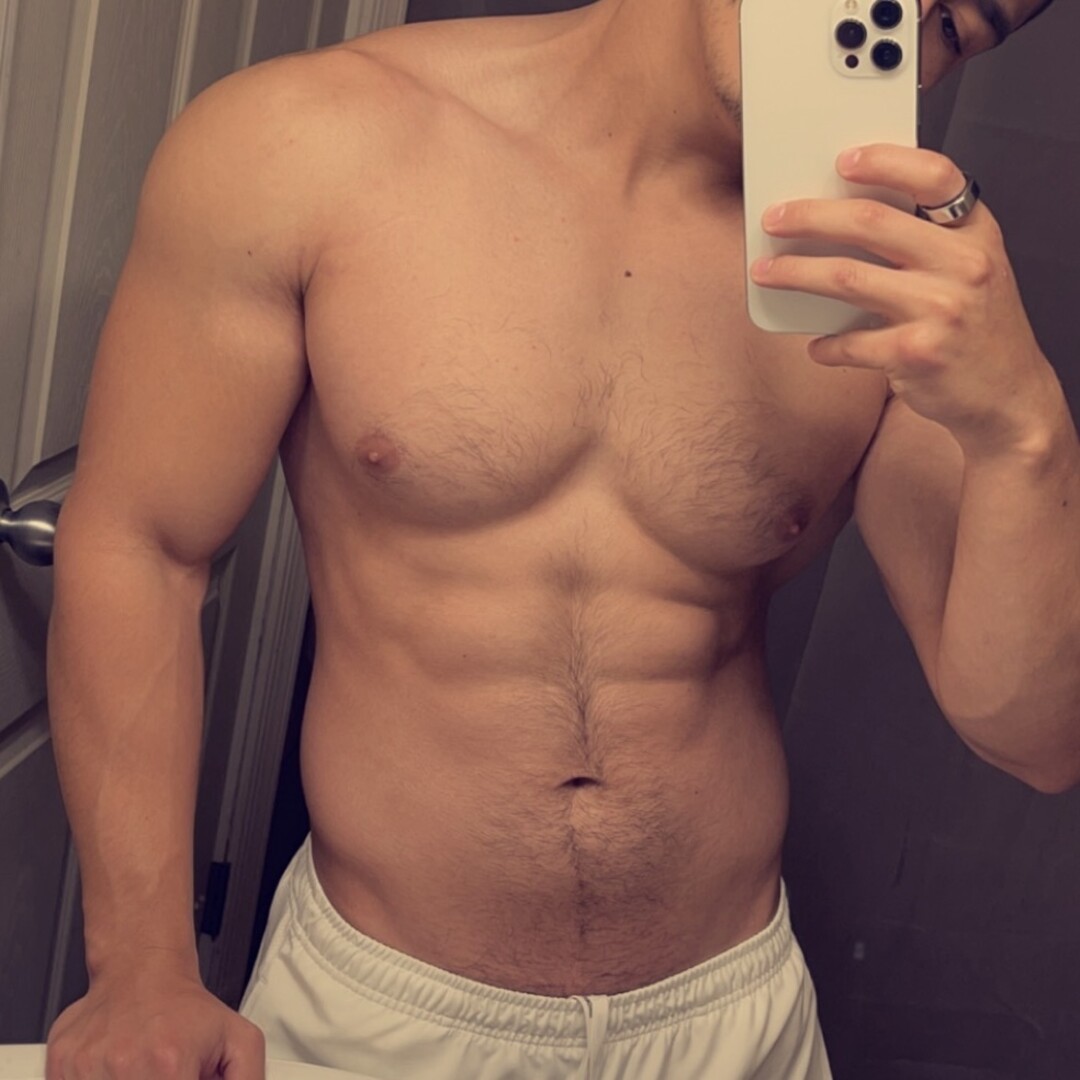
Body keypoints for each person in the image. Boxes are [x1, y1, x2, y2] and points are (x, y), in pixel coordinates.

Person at [44, 0, 1077, 1077]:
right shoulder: (303, 143)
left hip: (729, 1021)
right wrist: (140, 965)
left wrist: (1025, 426)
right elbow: (141, 545)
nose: (884, 14)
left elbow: (1035, 734)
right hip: (381, 1010)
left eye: (950, 22)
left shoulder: (898, 276)